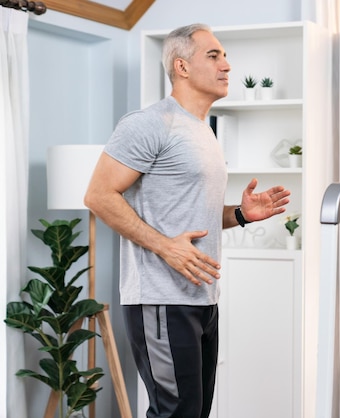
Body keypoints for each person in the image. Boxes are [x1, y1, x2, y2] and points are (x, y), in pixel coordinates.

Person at [84, 23, 291, 418]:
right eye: (213, 56)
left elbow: (192, 214)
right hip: (160, 298)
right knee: (175, 413)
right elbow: (98, 196)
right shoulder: (149, 123)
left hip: (202, 298)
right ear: (181, 66)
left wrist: (242, 214)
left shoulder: (203, 132)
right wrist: (165, 247)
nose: (227, 65)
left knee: (194, 412)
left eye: (225, 55)